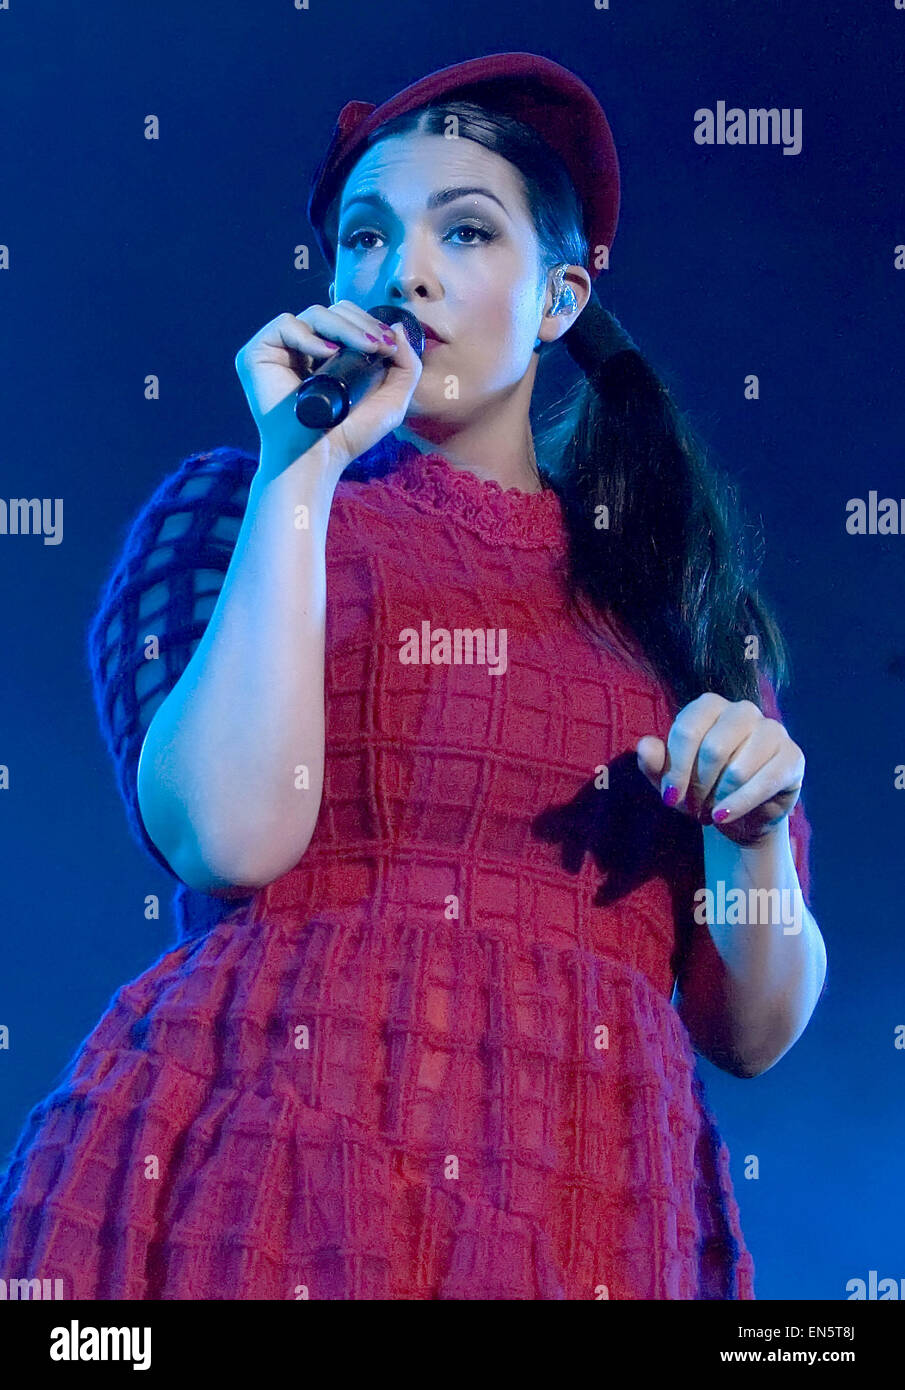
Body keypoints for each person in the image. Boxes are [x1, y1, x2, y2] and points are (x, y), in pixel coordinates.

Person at [0, 52, 826, 1300]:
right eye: (365, 237)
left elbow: (750, 1029)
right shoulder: (234, 511)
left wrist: (752, 836)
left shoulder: (674, 601)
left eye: (467, 230)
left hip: (587, 1194)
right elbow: (228, 832)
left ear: (557, 301)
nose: (405, 272)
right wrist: (298, 469)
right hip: (264, 1170)